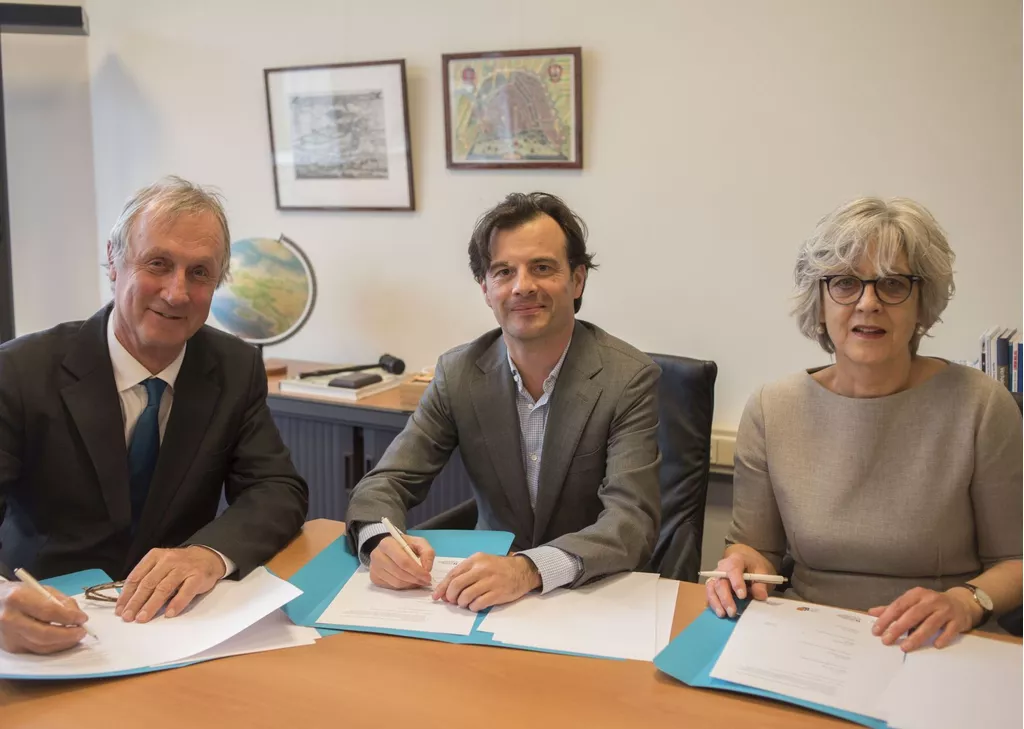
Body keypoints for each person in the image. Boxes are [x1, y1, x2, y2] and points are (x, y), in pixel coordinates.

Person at [0, 176, 308, 654]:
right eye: (158, 264)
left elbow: (276, 489)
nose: (176, 292)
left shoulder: (234, 366)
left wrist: (208, 554)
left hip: (178, 625)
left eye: (200, 273)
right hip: (50, 626)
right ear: (114, 261)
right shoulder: (19, 372)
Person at [707, 197, 1022, 652]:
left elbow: (1015, 561)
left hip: (941, 642)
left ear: (922, 305)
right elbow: (756, 550)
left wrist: (965, 601)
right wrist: (736, 567)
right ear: (818, 303)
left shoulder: (980, 405)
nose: (868, 303)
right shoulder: (772, 407)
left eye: (893, 284)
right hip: (806, 638)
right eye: (846, 283)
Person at [345, 192, 661, 612]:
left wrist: (528, 570)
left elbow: (630, 523)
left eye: (543, 268)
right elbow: (386, 482)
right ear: (486, 288)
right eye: (503, 271)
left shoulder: (627, 378)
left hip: (592, 596)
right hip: (486, 598)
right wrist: (379, 540)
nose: (522, 286)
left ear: (578, 279)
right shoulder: (458, 373)